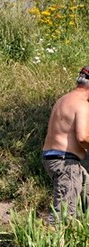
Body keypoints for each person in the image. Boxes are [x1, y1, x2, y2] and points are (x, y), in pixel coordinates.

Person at [42, 65, 89, 223]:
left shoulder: (65, 99)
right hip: (65, 162)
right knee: (62, 217)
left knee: (85, 198)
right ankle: (50, 246)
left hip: (57, 158)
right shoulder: (82, 104)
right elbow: (82, 137)